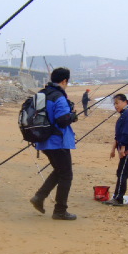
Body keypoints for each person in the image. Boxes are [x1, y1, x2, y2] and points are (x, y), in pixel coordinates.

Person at [29, 67, 79, 220]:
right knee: (66, 175)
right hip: (57, 142)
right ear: (64, 81)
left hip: (42, 140)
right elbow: (62, 120)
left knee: (59, 171)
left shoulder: (43, 93)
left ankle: (39, 197)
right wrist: (73, 116)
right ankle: (60, 211)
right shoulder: (59, 96)